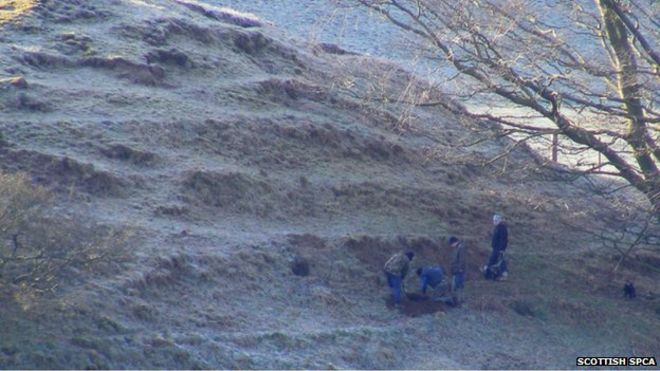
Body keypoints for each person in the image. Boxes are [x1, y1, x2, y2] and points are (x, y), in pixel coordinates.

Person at [484, 213, 508, 281]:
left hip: (498, 248)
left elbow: (503, 239)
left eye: (495, 220)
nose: (494, 222)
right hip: (495, 247)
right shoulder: (497, 228)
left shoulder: (502, 228)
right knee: (496, 260)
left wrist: (501, 249)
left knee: (499, 260)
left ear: (499, 220)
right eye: (494, 220)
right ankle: (493, 274)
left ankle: (503, 274)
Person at [449, 236, 466, 306]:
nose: (451, 246)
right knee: (459, 286)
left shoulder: (460, 249)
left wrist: (459, 269)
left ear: (454, 242)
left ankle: (458, 302)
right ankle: (459, 300)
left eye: (451, 244)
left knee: (457, 286)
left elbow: (462, 260)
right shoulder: (458, 248)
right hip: (457, 270)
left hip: (459, 271)